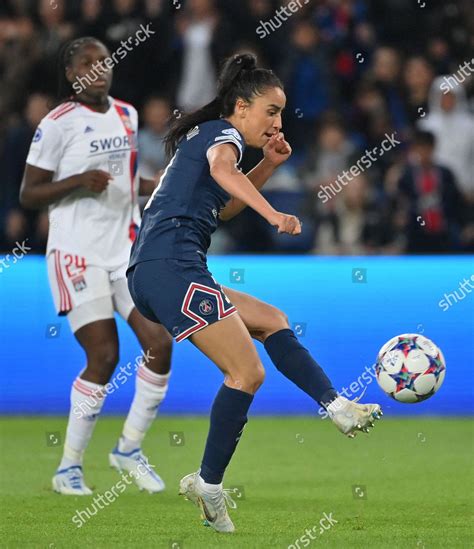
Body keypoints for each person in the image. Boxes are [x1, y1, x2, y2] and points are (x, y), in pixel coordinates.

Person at [127, 52, 383, 533]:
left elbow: (221, 206)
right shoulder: (221, 136)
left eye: (281, 113)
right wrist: (273, 214)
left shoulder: (206, 139)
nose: (277, 121)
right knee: (246, 372)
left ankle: (337, 406)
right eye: (271, 110)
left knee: (272, 319)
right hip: (170, 268)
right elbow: (225, 174)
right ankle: (209, 483)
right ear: (241, 107)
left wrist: (266, 165)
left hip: (167, 269)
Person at [19, 37, 173, 496]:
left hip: (124, 252)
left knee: (161, 344)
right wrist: (77, 182)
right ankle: (68, 468)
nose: (97, 68)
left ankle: (128, 449)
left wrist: (160, 185)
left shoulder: (126, 114)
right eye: (86, 63)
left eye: (103, 61)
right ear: (71, 75)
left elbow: (125, 182)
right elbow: (28, 193)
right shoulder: (57, 124)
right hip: (76, 254)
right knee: (104, 357)